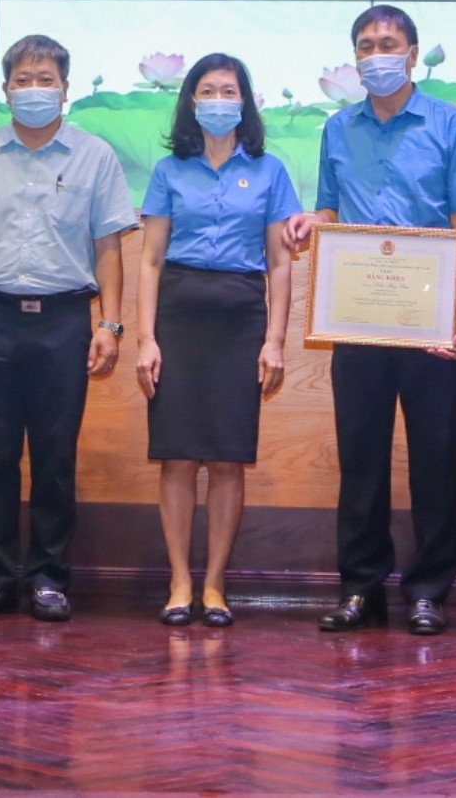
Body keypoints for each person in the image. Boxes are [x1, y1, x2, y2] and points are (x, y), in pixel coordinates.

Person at [286, 4, 456, 637]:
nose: (377, 54)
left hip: (431, 317)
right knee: (361, 459)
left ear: (413, 53)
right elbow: (330, 209)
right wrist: (312, 221)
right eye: (366, 45)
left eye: (388, 43)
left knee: (436, 457)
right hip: (358, 315)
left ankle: (429, 591)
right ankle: (360, 588)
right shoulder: (337, 128)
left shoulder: (452, 125)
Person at [0, 33, 137, 623]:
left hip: (63, 320)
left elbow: (108, 247)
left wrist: (109, 323)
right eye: (23, 80)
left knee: (55, 457)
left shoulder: (95, 155)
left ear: (65, 88)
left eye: (45, 80)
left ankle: (50, 578)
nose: (34, 90)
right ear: (6, 90)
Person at [132, 54, 298, 628]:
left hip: (240, 318)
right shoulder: (169, 170)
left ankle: (215, 584)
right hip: (178, 315)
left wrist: (275, 340)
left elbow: (280, 263)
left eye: (229, 90)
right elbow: (150, 261)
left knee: (228, 459)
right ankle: (180, 581)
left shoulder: (271, 170)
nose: (219, 100)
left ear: (245, 101)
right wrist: (145, 339)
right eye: (208, 90)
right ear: (191, 101)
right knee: (177, 456)